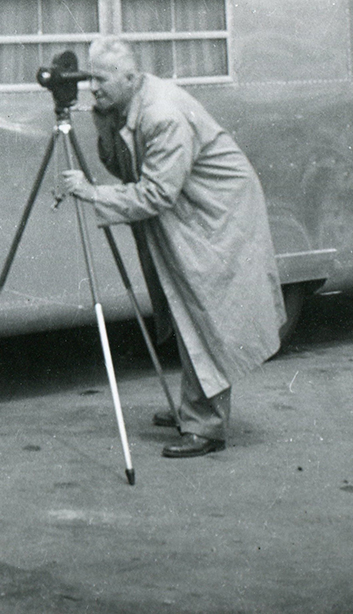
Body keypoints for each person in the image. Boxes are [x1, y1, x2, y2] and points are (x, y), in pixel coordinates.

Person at [60, 36, 286, 459]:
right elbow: (120, 164)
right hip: (188, 207)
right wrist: (103, 113)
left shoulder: (162, 114)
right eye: (90, 79)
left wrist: (93, 194)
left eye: (102, 80)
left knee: (202, 311)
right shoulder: (130, 103)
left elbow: (155, 195)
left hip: (216, 213)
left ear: (131, 77)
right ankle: (194, 408)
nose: (93, 88)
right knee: (185, 307)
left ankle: (206, 427)